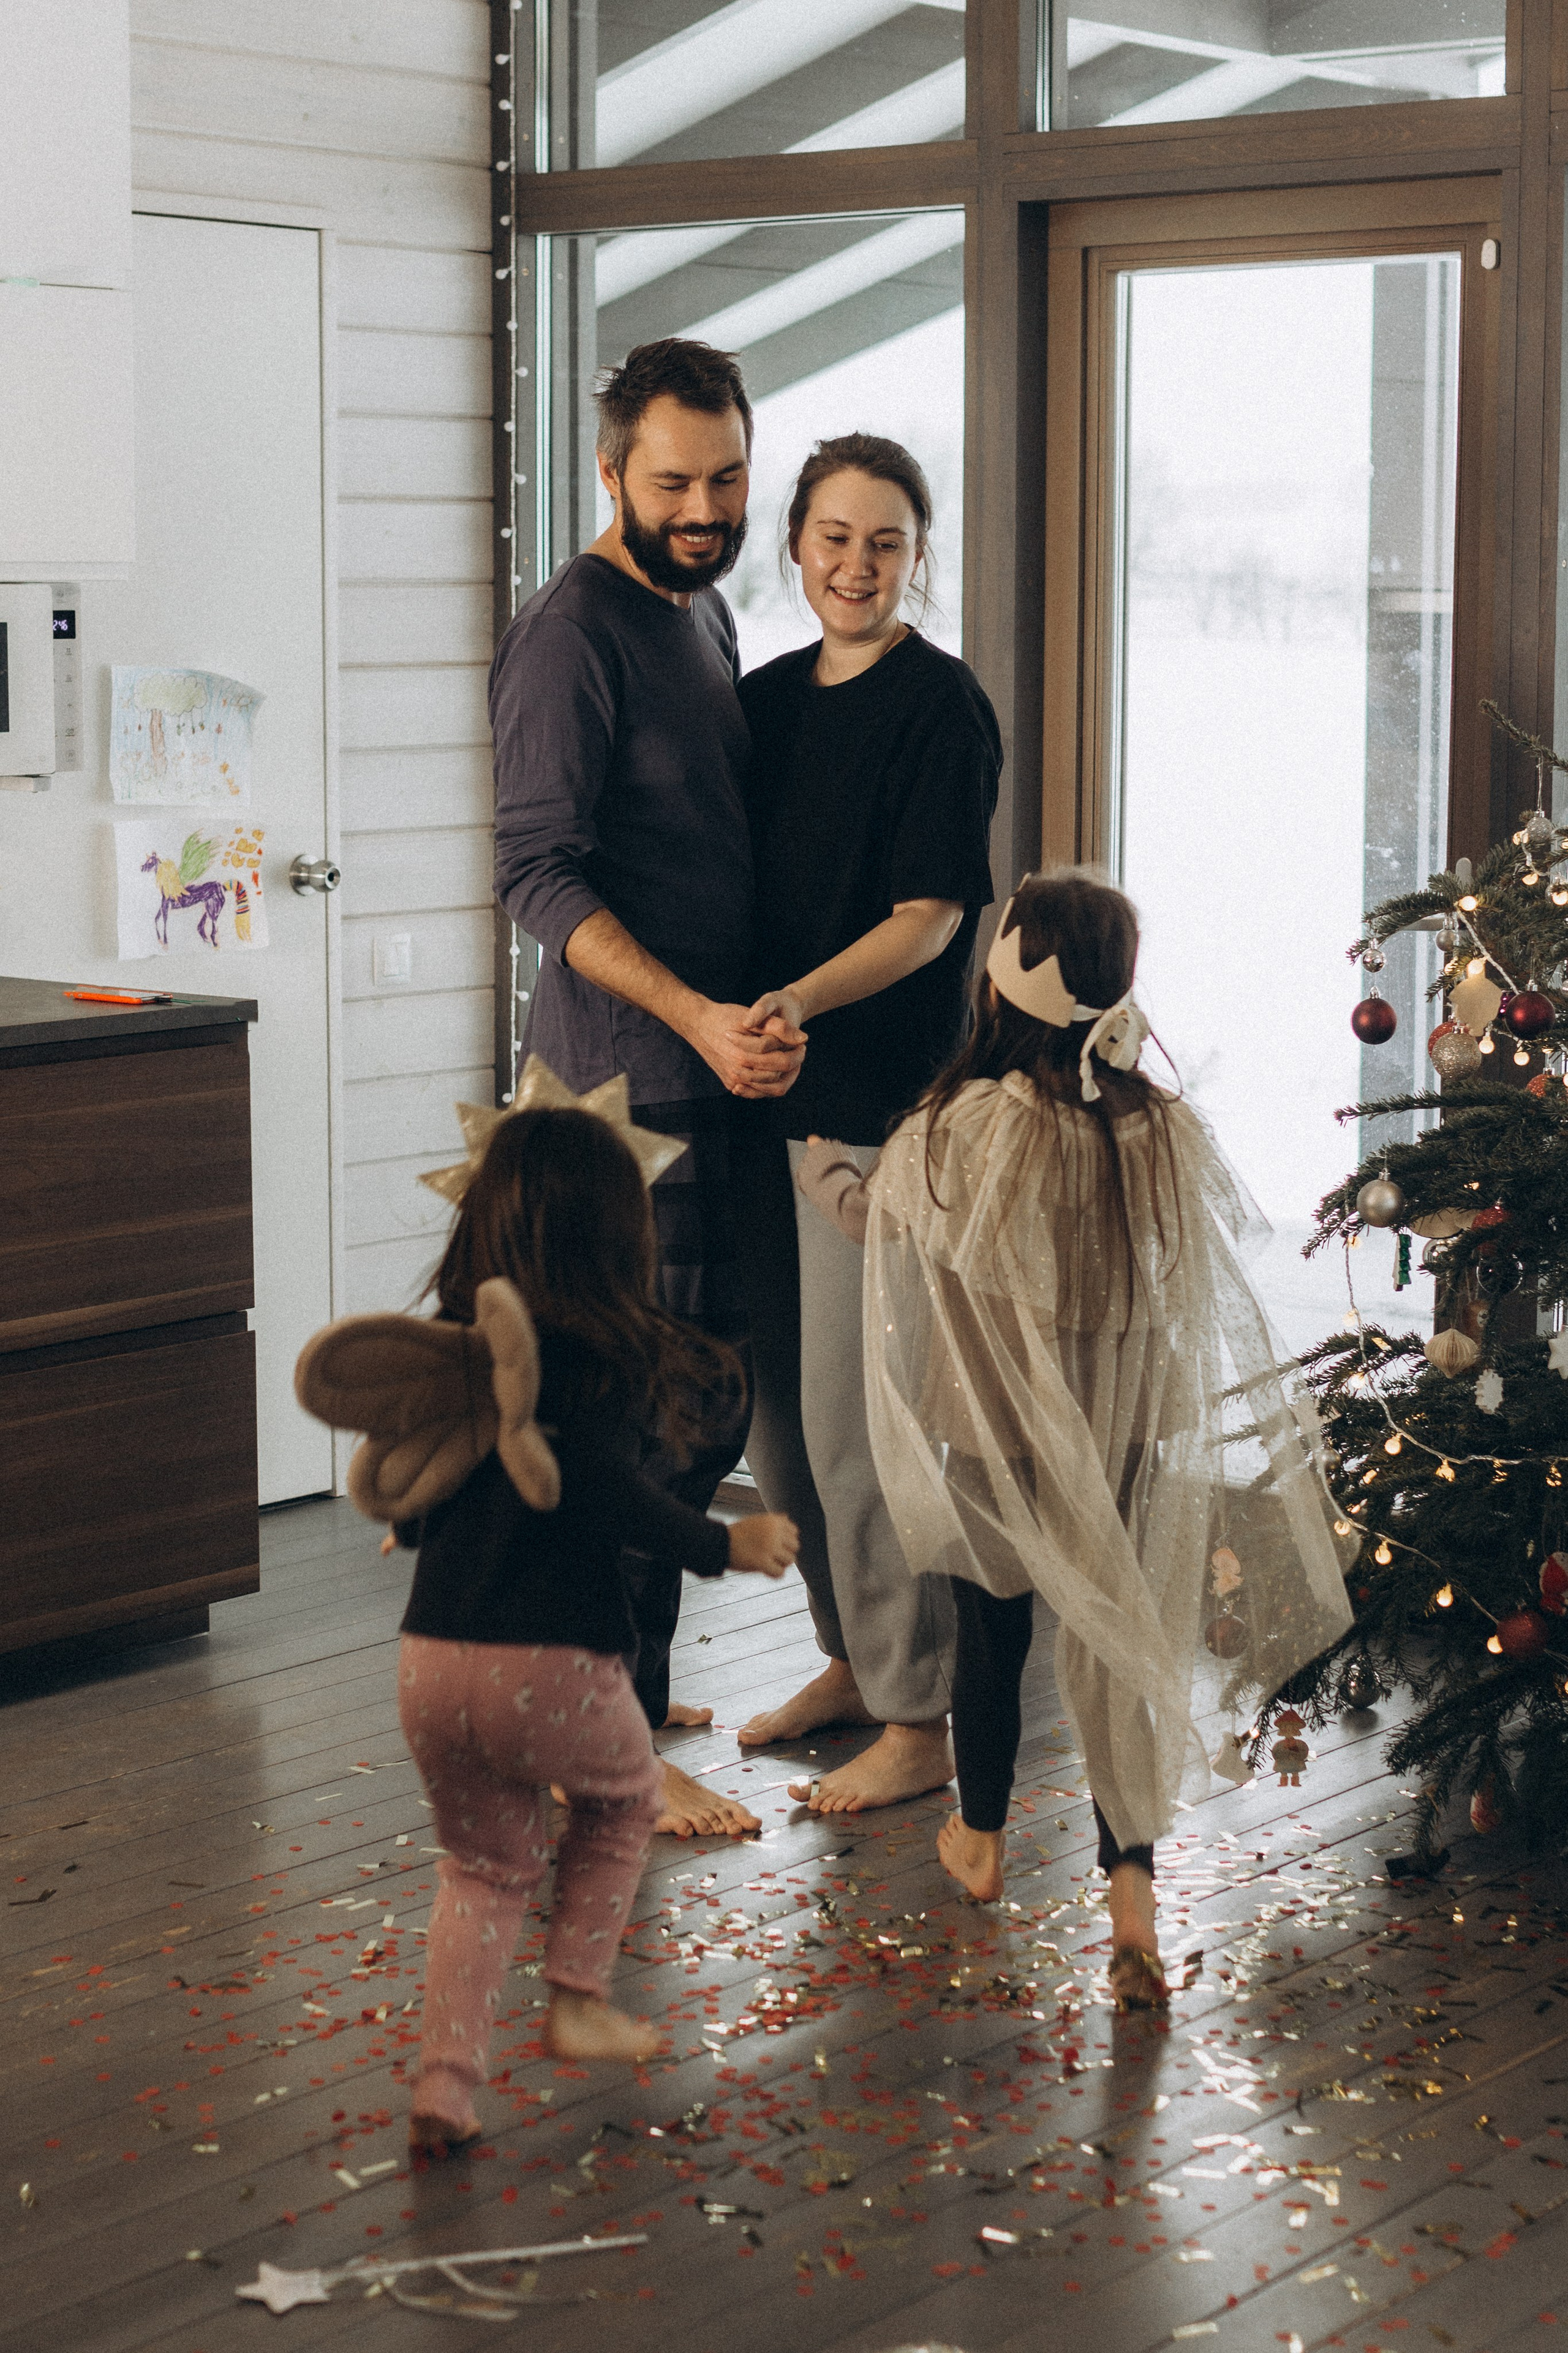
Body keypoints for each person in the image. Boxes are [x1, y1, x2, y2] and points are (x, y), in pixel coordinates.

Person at [795, 870, 1352, 2004]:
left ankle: (984, 1836)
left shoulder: (975, 1123)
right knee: (1112, 1640)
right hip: (1121, 1429)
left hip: (990, 1431)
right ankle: (1132, 1896)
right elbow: (1181, 1276)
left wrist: (827, 1175)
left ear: (1010, 978)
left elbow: (895, 1225)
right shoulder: (1158, 1128)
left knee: (992, 1637)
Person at [298, 1093, 799, 2153]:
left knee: (479, 1871)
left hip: (431, 1664)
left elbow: (430, 1481)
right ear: (622, 1235)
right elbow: (610, 1497)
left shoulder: (457, 1354)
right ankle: (575, 1992)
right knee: (622, 1802)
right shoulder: (604, 1353)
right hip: (558, 1662)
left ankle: (445, 2085)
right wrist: (727, 1543)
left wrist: (422, 1523)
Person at [491, 338, 804, 1840]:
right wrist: (691, 1010)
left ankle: (622, 1685)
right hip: (624, 1094)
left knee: (698, 1401)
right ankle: (599, 1736)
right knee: (631, 1415)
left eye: (726, 476)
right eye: (672, 479)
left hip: (720, 1076)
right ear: (609, 472)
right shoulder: (572, 634)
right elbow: (533, 872)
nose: (703, 503)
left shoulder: (708, 611)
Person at [733, 434, 1000, 1813]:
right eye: (834, 537)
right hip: (755, 1105)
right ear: (795, 544)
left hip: (872, 1117)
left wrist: (789, 1002)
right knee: (776, 1428)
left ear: (915, 556)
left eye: (884, 543)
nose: (855, 565)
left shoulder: (939, 707)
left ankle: (917, 1714)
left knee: (859, 1431)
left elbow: (931, 915)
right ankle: (847, 1658)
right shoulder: (766, 701)